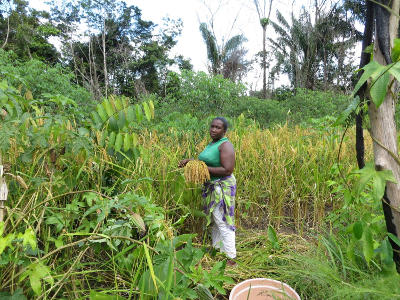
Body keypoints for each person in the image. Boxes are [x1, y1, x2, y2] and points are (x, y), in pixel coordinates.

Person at [179, 117, 237, 265]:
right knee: (216, 220)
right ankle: (217, 249)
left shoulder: (225, 145)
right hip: (211, 186)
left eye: (218, 127)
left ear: (224, 131)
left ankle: (230, 258)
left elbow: (227, 169)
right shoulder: (213, 144)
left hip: (221, 187)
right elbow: (206, 162)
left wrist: (199, 167)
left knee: (224, 221)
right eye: (212, 126)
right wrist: (191, 162)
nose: (213, 129)